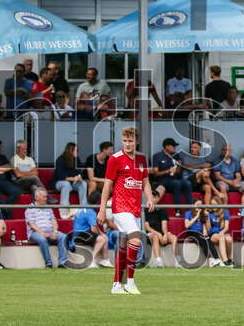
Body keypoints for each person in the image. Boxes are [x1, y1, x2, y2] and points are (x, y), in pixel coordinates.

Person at [97, 126, 156, 295]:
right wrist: (102, 210)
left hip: (135, 208)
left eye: (130, 141)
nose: (127, 144)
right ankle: (130, 282)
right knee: (136, 240)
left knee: (125, 244)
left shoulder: (142, 159)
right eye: (124, 141)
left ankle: (116, 285)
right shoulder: (115, 159)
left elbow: (145, 182)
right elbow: (107, 185)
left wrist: (150, 198)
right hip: (120, 207)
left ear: (136, 141)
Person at [25, 187, 69, 268]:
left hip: (50, 231)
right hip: (35, 233)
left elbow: (54, 222)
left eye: (46, 197)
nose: (45, 199)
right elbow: (32, 225)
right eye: (43, 197)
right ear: (36, 197)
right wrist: (43, 233)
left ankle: (62, 262)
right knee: (42, 239)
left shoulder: (48, 207)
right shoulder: (30, 208)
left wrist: (55, 232)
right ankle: (48, 263)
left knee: (63, 237)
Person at [72, 191, 116, 269]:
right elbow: (93, 229)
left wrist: (101, 233)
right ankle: (91, 261)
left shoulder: (84, 205)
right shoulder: (91, 212)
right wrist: (100, 235)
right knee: (102, 239)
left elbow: (95, 227)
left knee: (104, 237)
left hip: (79, 233)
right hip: (80, 235)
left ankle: (104, 259)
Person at [150, 138, 193, 217]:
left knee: (187, 183)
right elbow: (155, 173)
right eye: (173, 146)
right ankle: (178, 211)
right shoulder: (157, 156)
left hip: (174, 179)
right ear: (167, 146)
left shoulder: (176, 156)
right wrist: (167, 171)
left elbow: (178, 172)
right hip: (163, 181)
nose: (175, 148)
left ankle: (189, 211)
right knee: (177, 183)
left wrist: (179, 166)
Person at [179, 141, 223, 205]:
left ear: (199, 149)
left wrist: (207, 172)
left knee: (208, 187)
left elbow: (207, 168)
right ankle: (216, 191)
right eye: (191, 147)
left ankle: (206, 210)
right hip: (188, 182)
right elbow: (189, 166)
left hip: (198, 182)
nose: (192, 149)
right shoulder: (186, 158)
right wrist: (203, 166)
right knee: (202, 172)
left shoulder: (202, 160)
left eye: (194, 147)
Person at [53, 142, 88, 219]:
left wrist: (79, 178)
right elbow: (60, 176)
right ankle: (64, 209)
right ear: (70, 150)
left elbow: (79, 173)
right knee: (66, 184)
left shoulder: (77, 159)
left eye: (77, 150)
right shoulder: (60, 159)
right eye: (75, 150)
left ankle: (84, 206)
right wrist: (72, 178)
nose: (76, 152)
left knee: (83, 184)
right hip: (59, 183)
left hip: (73, 183)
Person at [143, 203, 175, 267]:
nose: (153, 199)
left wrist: (165, 235)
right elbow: (147, 227)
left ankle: (178, 261)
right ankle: (159, 261)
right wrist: (159, 234)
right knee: (155, 237)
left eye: (155, 196)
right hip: (150, 234)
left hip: (161, 233)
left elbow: (164, 225)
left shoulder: (162, 209)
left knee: (174, 238)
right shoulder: (145, 210)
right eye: (152, 196)